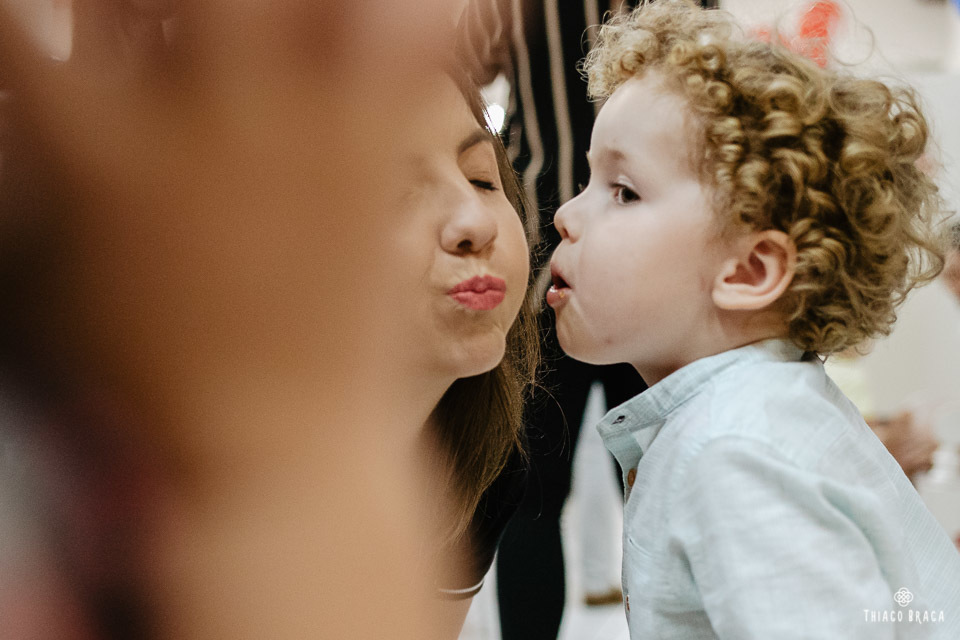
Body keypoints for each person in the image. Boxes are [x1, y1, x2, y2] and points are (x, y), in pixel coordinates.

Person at [0, 1, 539, 638]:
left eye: (482, 178)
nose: (474, 225)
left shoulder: (484, 448)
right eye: (394, 192)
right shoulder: (94, 511)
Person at [546, 0, 960, 637]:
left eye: (623, 191)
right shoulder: (748, 419)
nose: (565, 216)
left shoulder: (737, 451)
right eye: (586, 181)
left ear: (748, 271)